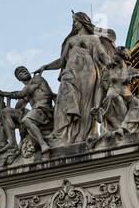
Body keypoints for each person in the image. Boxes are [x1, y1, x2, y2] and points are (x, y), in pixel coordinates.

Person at [35, 12, 113, 148]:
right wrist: (45, 67)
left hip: (88, 73)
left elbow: (102, 55)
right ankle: (63, 134)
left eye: (75, 21)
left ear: (82, 21)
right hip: (69, 74)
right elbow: (61, 61)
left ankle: (83, 135)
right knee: (63, 100)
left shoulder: (93, 39)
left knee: (86, 104)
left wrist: (113, 65)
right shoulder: (70, 41)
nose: (74, 24)